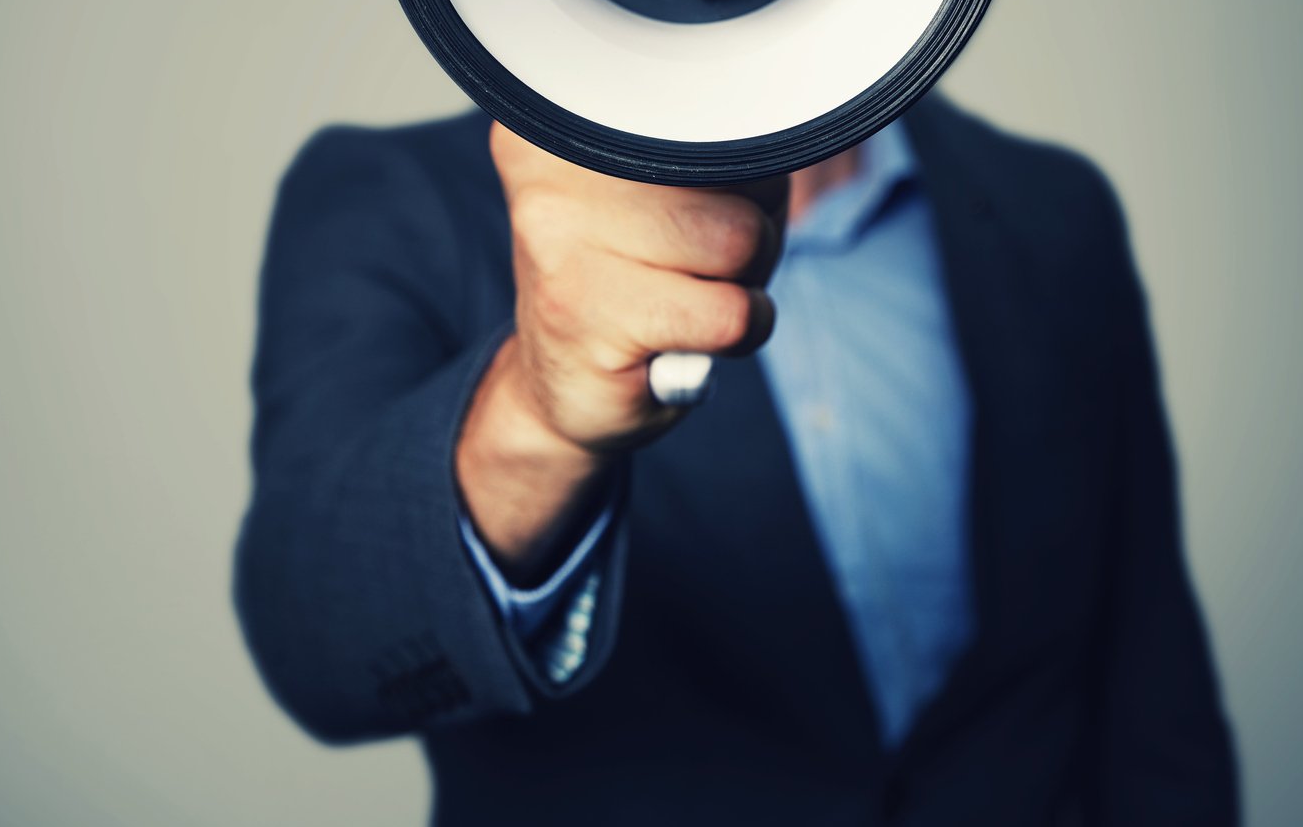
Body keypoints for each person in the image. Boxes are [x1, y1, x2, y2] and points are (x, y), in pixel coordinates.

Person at [234, 93, 1238, 825]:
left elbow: (1149, 676)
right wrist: (537, 416)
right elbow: (318, 631)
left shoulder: (1053, 210)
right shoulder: (394, 196)